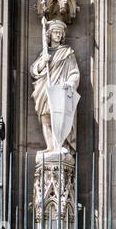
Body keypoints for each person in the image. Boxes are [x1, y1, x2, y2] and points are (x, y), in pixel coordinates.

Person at [30, 19, 80, 154]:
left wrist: (70, 83)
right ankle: (50, 146)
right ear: (50, 34)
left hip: (60, 89)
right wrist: (42, 62)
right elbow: (34, 70)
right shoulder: (45, 53)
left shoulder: (67, 52)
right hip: (45, 88)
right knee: (45, 116)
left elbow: (74, 72)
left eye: (60, 33)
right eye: (55, 32)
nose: (58, 35)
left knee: (58, 116)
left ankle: (59, 145)